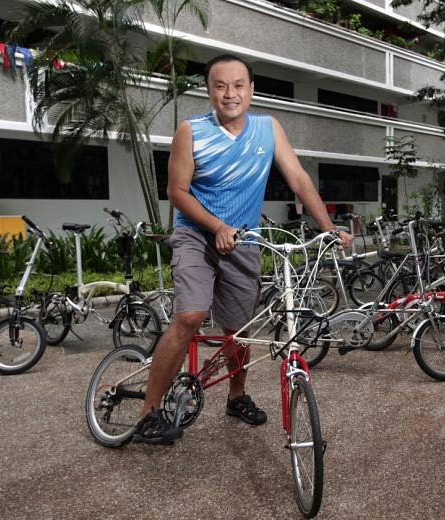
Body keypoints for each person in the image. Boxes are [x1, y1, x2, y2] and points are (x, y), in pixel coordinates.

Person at [133, 54, 353, 444]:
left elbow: (299, 179)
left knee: (239, 330)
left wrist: (328, 228)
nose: (229, 93)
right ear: (210, 91)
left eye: (238, 85)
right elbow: (176, 193)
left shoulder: (268, 129)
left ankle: (236, 397)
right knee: (190, 316)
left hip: (244, 242)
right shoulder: (191, 131)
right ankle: (149, 412)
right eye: (220, 86)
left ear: (251, 90)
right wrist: (217, 226)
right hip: (196, 236)